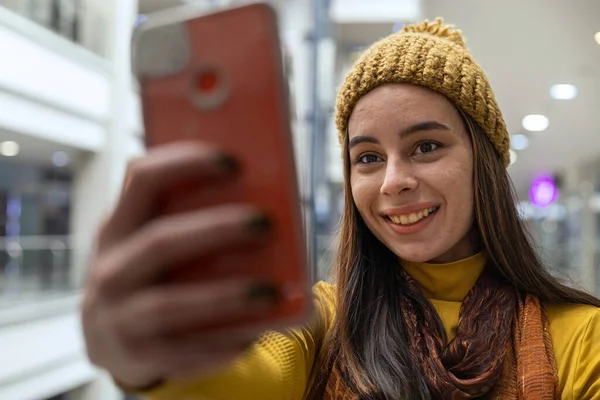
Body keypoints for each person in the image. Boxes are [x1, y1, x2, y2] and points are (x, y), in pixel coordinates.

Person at [81, 18, 600, 399]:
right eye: (368, 157)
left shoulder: (581, 337)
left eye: (426, 146)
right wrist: (155, 363)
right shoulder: (323, 324)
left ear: (482, 161)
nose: (393, 182)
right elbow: (240, 383)